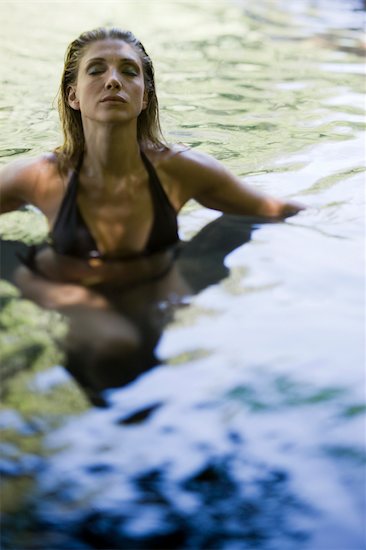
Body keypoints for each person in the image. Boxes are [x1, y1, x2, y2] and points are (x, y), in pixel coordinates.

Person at [0, 27, 304, 396]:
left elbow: (270, 209)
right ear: (73, 95)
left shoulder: (182, 169)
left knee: (231, 231)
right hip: (68, 288)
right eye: (96, 70)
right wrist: (52, 293)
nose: (113, 80)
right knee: (116, 345)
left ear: (144, 97)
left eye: (129, 71)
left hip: (158, 285)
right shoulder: (41, 177)